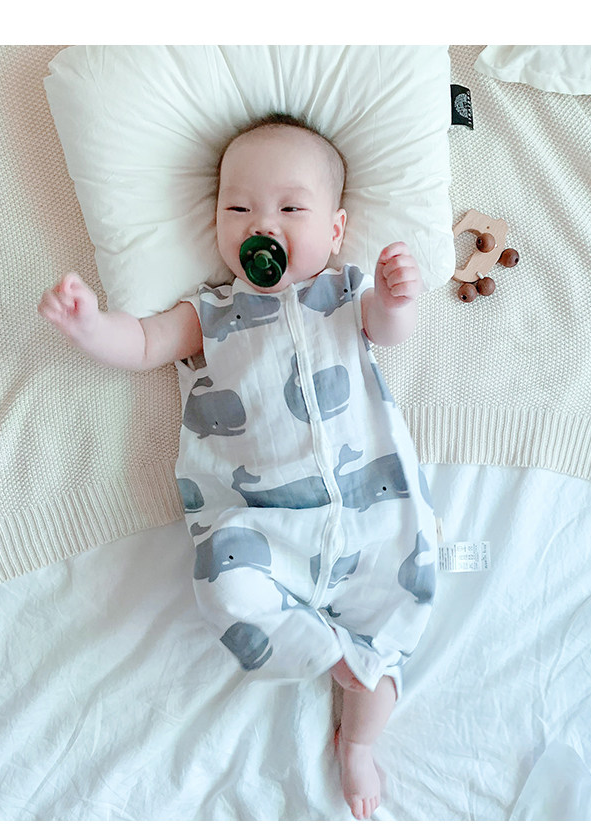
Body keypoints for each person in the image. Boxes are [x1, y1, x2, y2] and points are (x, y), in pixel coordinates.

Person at [38, 113, 436, 820]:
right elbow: (142, 342)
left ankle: (358, 744)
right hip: (262, 528)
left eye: (290, 210)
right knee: (223, 580)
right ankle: (330, 656)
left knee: (399, 614)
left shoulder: (344, 294)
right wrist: (90, 325)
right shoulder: (212, 313)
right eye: (239, 209)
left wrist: (399, 296)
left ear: (336, 230)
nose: (263, 226)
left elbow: (389, 329)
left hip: (370, 516)